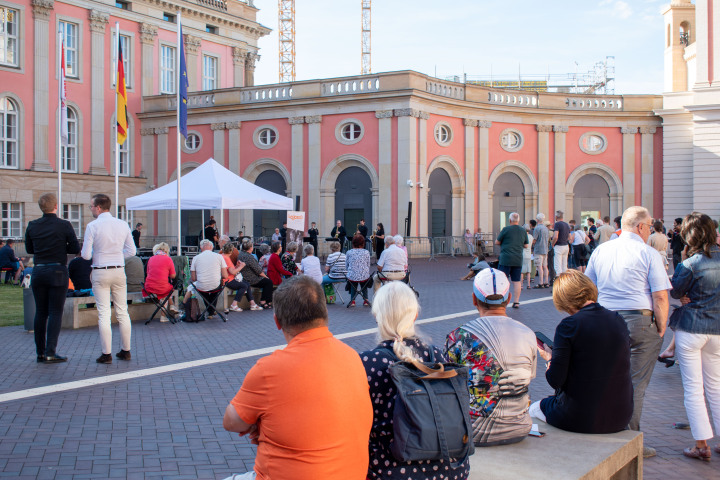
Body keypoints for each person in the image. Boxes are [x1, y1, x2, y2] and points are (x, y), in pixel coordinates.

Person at [222, 276, 373, 480]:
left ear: (277, 321)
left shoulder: (269, 369)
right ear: (325, 312)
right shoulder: (352, 357)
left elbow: (232, 422)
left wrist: (260, 424)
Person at [585, 206, 671, 458]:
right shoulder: (648, 253)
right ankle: (630, 442)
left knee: (604, 377)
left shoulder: (601, 250)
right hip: (639, 321)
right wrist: (661, 327)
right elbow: (660, 296)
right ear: (642, 227)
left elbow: (588, 288)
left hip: (605, 319)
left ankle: (601, 432)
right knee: (635, 383)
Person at [360, 282, 470, 479]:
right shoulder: (435, 355)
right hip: (449, 467)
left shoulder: (369, 362)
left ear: (377, 317)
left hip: (389, 469)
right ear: (415, 316)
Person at [529, 271, 633, 434]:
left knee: (533, 410)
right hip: (621, 415)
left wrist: (549, 358)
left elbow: (555, 380)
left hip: (580, 416)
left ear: (564, 299)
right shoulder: (617, 319)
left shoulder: (569, 325)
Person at [445, 268, 537, 446]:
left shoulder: (459, 336)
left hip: (474, 431)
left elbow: (448, 386)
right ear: (509, 298)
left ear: (474, 299)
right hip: (520, 428)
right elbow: (528, 377)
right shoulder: (528, 334)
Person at [666, 212, 720, 461]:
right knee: (716, 387)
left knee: (693, 388)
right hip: (717, 329)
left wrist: (685, 295)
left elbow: (676, 291)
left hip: (691, 327)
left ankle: (701, 444)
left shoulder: (689, 264)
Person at [24, 193, 80, 363]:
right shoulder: (64, 225)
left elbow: (29, 249)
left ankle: (40, 352)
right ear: (56, 206)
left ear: (41, 207)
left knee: (41, 312)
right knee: (55, 312)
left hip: (39, 271)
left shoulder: (32, 225)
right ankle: (50, 351)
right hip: (57, 270)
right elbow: (75, 248)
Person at [81, 194, 136, 364]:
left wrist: (100, 256)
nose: (90, 209)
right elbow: (132, 251)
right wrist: (118, 256)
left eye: (91, 206)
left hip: (100, 270)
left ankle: (107, 353)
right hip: (119, 269)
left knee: (104, 312)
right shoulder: (122, 224)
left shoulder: (92, 226)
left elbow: (85, 254)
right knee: (122, 311)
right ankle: (126, 350)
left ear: (98, 207)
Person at [494, 212, 528, 308]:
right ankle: (516, 302)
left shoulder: (506, 229)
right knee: (516, 281)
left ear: (510, 220)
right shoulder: (523, 230)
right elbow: (526, 245)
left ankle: (502, 300)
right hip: (518, 259)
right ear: (518, 220)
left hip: (506, 258)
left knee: (502, 280)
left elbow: (497, 241)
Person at [189, 239, 228, 319]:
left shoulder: (195, 258)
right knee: (215, 289)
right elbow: (225, 275)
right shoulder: (219, 256)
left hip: (202, 287)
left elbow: (193, 278)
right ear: (211, 247)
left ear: (201, 247)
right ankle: (211, 311)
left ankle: (210, 311)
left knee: (204, 290)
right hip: (215, 286)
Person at [222, 242, 262, 313]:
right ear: (231, 250)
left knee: (247, 284)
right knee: (244, 286)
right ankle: (234, 304)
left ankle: (252, 304)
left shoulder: (223, 256)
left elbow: (230, 269)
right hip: (228, 280)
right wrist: (241, 266)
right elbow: (233, 272)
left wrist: (237, 266)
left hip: (228, 279)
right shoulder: (227, 258)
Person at [144, 242, 178, 322]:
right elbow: (173, 276)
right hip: (161, 287)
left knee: (164, 290)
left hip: (149, 286)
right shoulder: (168, 259)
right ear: (167, 250)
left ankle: (171, 307)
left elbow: (148, 273)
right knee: (166, 291)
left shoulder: (151, 258)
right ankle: (166, 312)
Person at [237, 239, 274, 309]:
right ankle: (263, 301)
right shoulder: (249, 257)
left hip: (243, 277)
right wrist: (266, 277)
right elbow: (258, 271)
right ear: (250, 248)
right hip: (251, 278)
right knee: (268, 282)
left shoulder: (240, 254)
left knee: (267, 281)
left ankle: (267, 301)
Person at [345, 234, 372, 307]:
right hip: (364, 275)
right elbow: (368, 264)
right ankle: (366, 300)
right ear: (363, 243)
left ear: (353, 243)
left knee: (353, 284)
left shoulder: (349, 252)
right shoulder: (366, 252)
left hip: (352, 275)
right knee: (364, 284)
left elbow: (347, 265)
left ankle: (352, 301)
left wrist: (352, 270)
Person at [532, 213, 550, 288]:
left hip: (538, 249)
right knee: (545, 266)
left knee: (539, 267)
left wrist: (532, 246)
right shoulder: (546, 228)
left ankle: (540, 283)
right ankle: (546, 282)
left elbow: (534, 240)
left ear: (537, 220)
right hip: (545, 249)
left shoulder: (537, 228)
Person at [551, 210, 571, 276]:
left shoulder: (557, 224)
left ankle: (559, 281)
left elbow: (555, 237)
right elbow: (569, 237)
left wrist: (552, 243)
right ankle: (565, 282)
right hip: (566, 245)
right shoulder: (567, 224)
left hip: (559, 245)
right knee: (564, 266)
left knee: (558, 266)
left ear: (556, 217)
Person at [520, 224, 533, 289]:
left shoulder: (522, 236)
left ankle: (521, 285)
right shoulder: (531, 236)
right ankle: (528, 285)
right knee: (528, 271)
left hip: (523, 254)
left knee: (522, 271)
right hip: (529, 254)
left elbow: (523, 245)